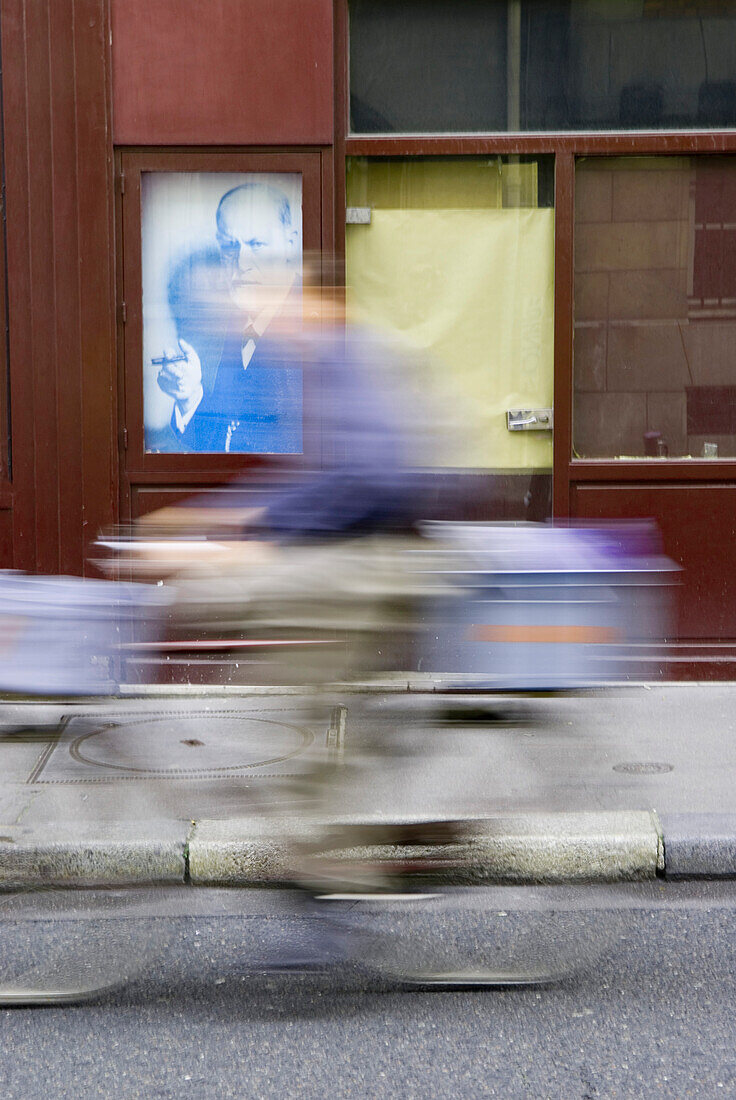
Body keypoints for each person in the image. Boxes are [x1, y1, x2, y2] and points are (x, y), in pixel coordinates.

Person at [153, 181, 302, 454]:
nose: (242, 263)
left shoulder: (310, 330)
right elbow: (226, 444)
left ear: (290, 245)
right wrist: (190, 395)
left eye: (257, 244)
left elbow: (281, 453)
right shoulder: (241, 325)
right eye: (229, 247)